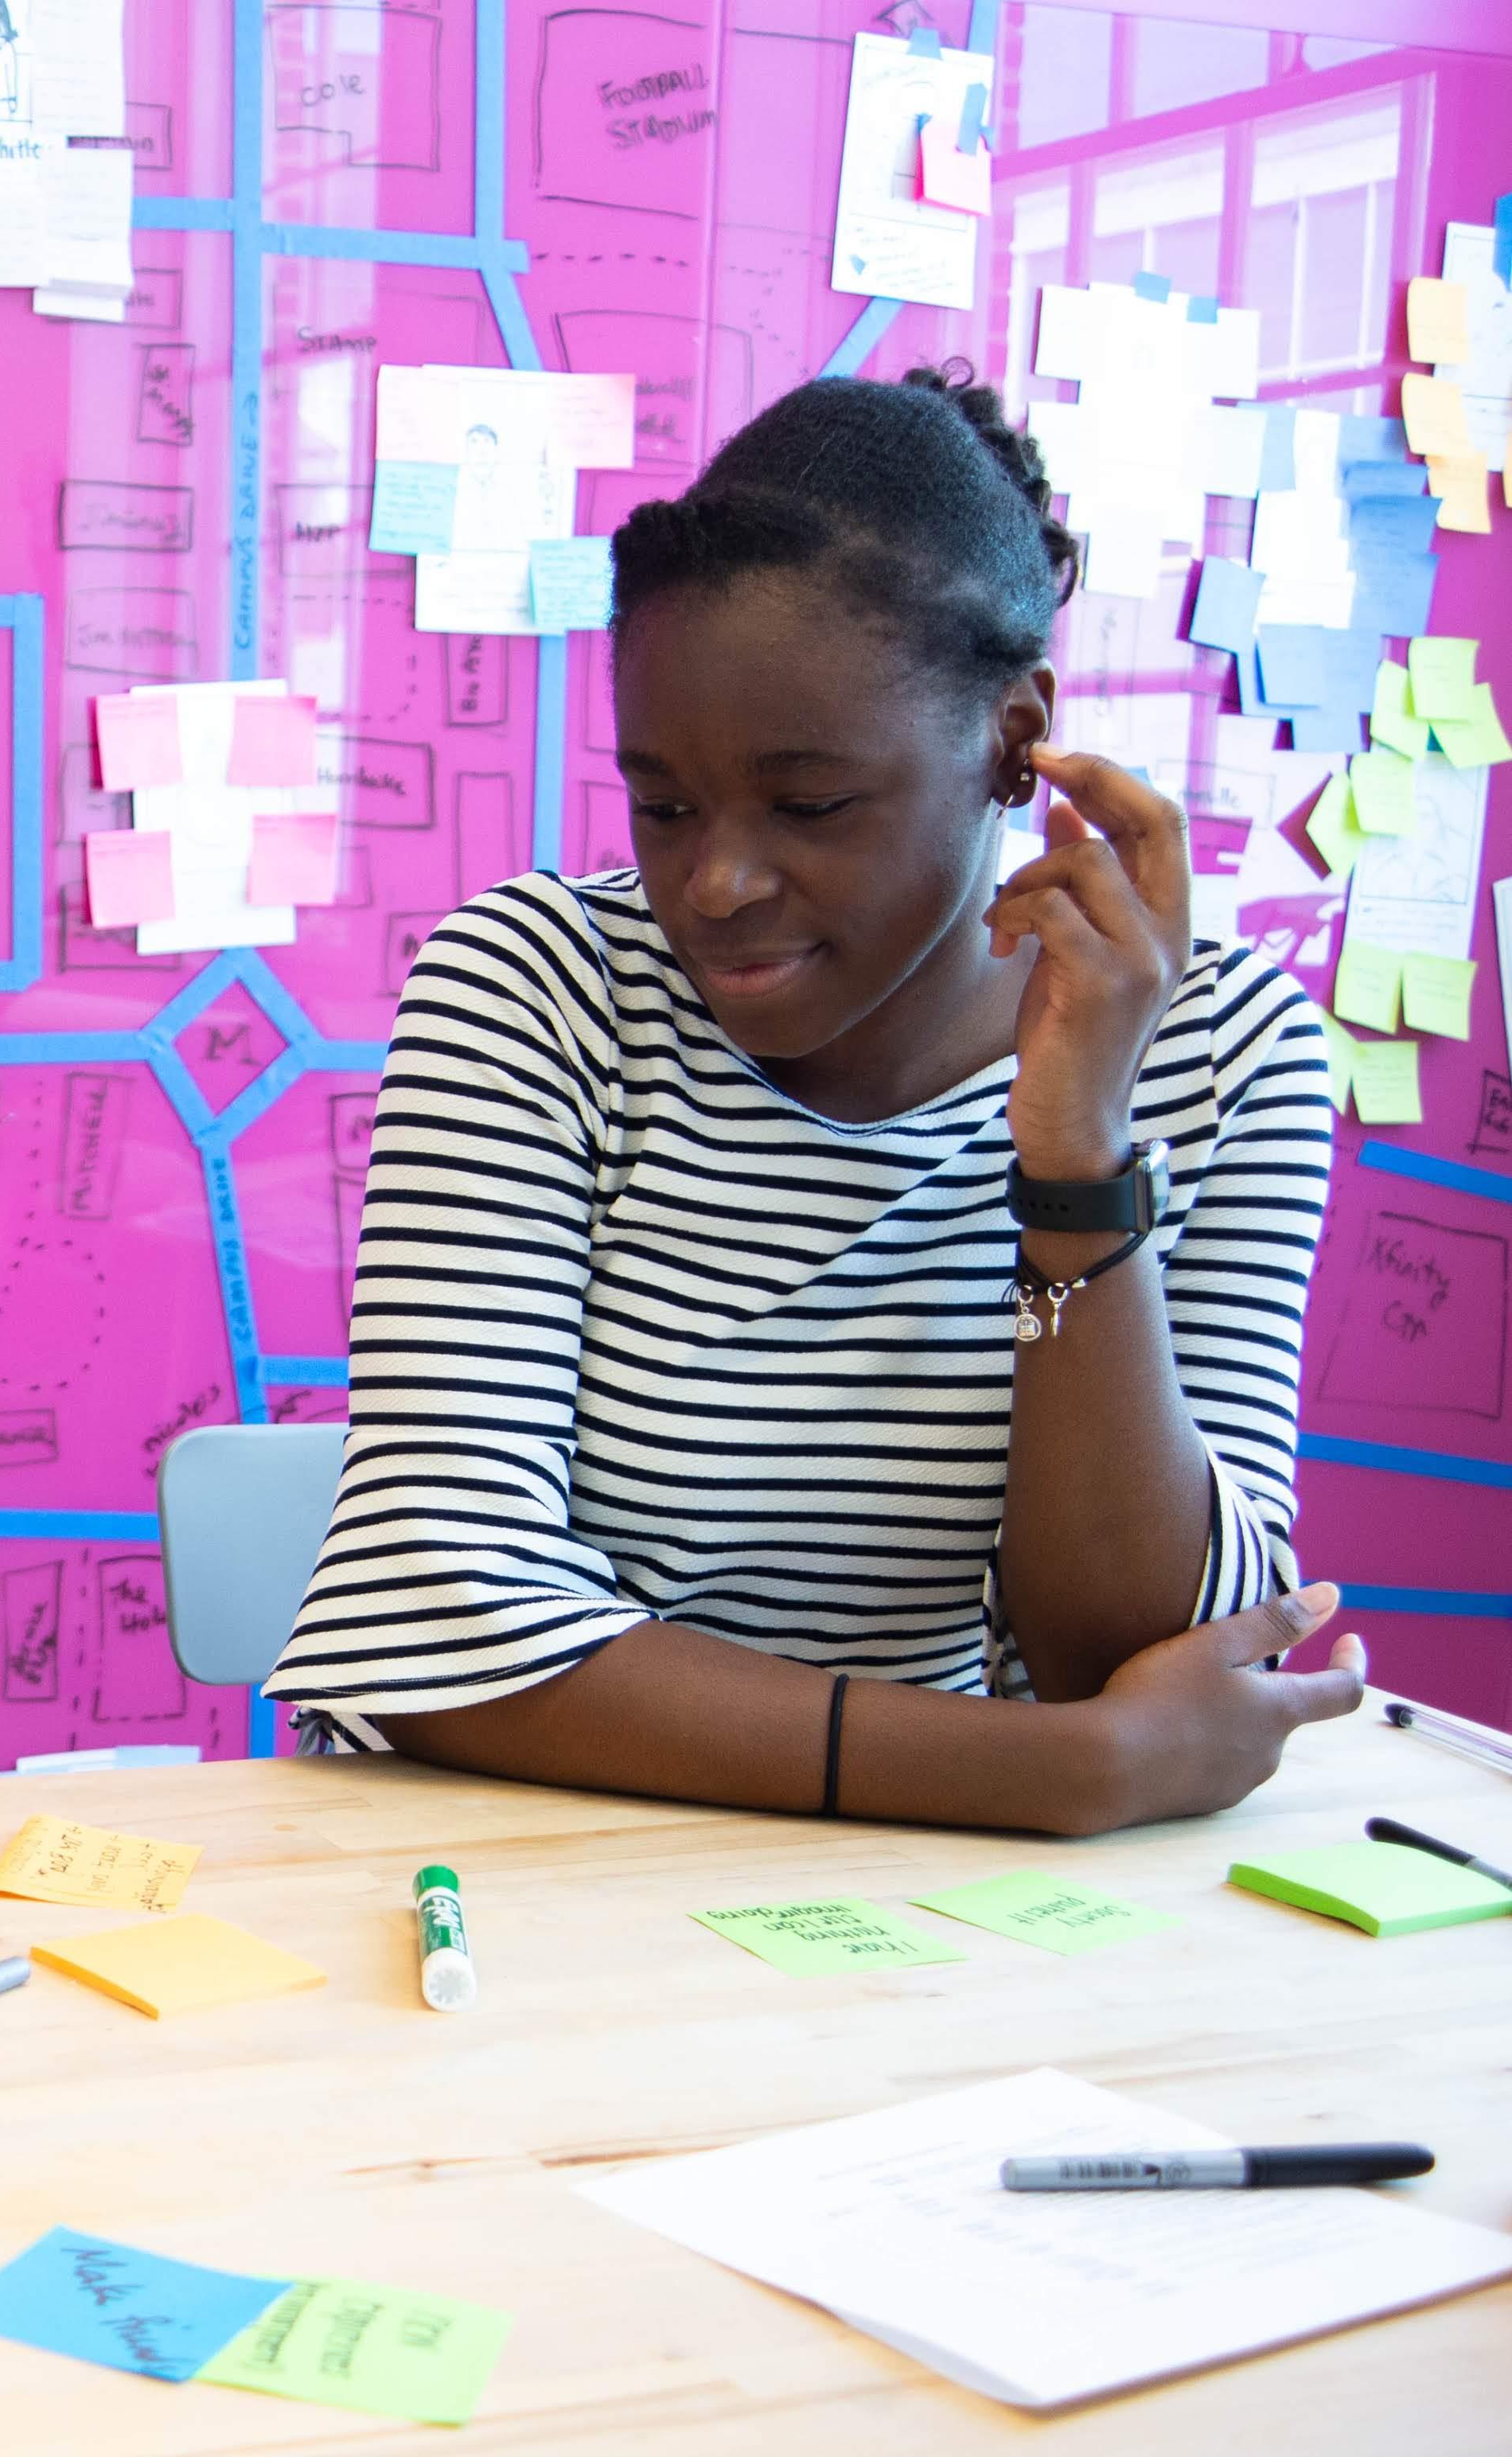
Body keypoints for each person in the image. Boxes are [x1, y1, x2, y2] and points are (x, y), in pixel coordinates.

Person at [267, 365, 1366, 1833]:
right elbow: (440, 1631)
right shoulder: (535, 989)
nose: (714, 886)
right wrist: (1059, 1771)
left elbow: (1141, 1648)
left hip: (940, 1908)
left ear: (1013, 736)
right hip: (520, 1861)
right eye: (663, 804)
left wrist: (1075, 1170)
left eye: (810, 805)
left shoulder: (1216, 1048)